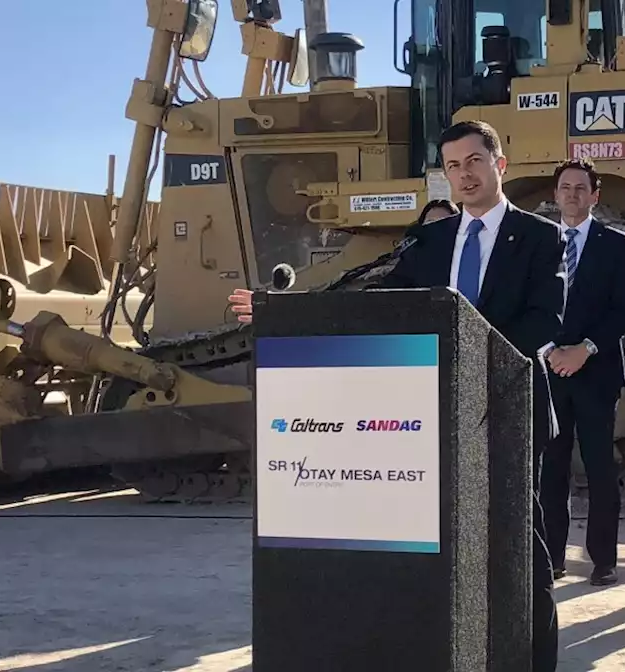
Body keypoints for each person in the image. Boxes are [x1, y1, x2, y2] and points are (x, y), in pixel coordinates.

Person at [229, 120, 565, 670]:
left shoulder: (541, 237)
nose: (465, 174)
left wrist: (472, 361)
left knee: (518, 551)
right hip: (431, 418)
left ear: (499, 164)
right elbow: (375, 300)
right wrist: (280, 309)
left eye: (474, 161)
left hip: (507, 413)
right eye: (453, 166)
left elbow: (542, 320)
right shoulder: (428, 241)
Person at [539, 158, 625, 587]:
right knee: (550, 471)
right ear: (555, 194)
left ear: (595, 196)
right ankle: (551, 557)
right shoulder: (539, 244)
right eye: (566, 187)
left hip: (596, 373)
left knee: (600, 469)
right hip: (549, 373)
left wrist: (585, 349)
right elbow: (529, 304)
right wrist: (550, 351)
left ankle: (603, 560)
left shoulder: (616, 245)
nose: (573, 194)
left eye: (582, 188)